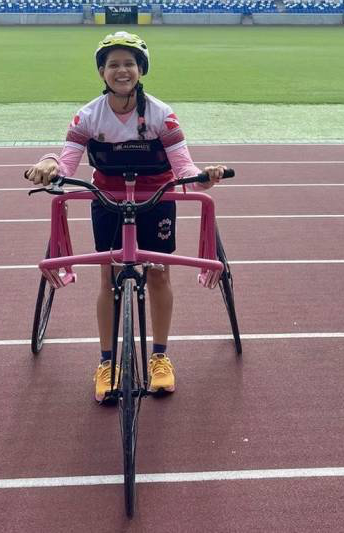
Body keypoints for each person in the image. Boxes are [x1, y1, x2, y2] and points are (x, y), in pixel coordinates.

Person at [25, 31, 227, 403]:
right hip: (108, 198)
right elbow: (65, 164)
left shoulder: (162, 115)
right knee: (109, 276)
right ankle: (107, 363)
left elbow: (184, 168)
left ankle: (160, 357)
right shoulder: (87, 116)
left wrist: (205, 177)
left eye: (129, 63)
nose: (122, 71)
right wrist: (48, 163)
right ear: (102, 72)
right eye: (113, 64)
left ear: (141, 69)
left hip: (156, 198)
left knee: (158, 273)